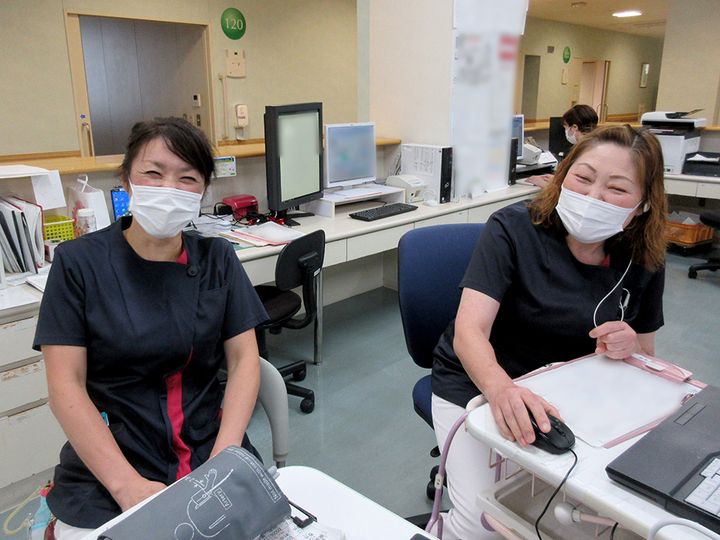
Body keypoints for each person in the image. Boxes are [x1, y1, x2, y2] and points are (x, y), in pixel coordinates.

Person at [33, 118, 268, 538]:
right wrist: (127, 487)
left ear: (202, 192)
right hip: (113, 461)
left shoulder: (218, 258)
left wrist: (226, 456)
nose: (169, 189)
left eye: (187, 178)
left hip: (210, 447)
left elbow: (244, 359)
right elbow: (65, 384)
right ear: (126, 179)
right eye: (153, 173)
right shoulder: (78, 264)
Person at [431, 125, 667, 539]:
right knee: (484, 524)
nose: (593, 197)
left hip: (570, 391)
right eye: (583, 177)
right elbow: (470, 331)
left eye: (616, 188)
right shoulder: (513, 229)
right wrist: (502, 391)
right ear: (562, 176)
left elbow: (647, 354)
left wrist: (630, 343)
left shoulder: (643, 257)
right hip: (477, 383)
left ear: (642, 205)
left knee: (601, 512)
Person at [527, 104, 599, 188]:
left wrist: (551, 185)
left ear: (574, 127)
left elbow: (579, 187)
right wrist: (557, 180)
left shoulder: (584, 152)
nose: (566, 131)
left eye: (566, 127)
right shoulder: (595, 147)